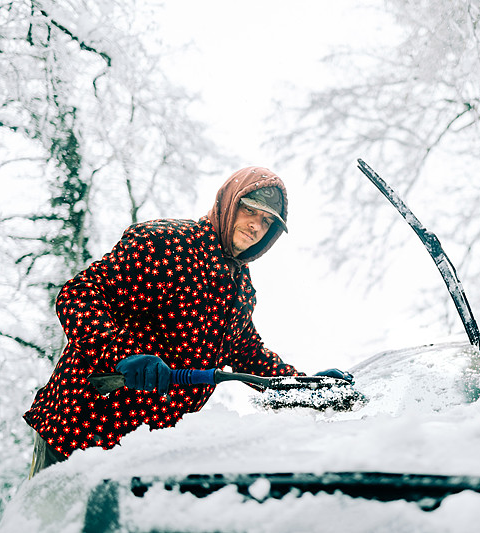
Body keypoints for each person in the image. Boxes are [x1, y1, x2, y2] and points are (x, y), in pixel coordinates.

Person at [24, 166, 351, 477]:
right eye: (250, 210)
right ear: (228, 203)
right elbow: (79, 293)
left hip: (142, 453)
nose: (256, 226)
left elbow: (247, 352)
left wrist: (300, 385)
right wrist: (121, 354)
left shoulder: (240, 288)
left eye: (267, 222)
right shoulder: (163, 243)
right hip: (79, 430)